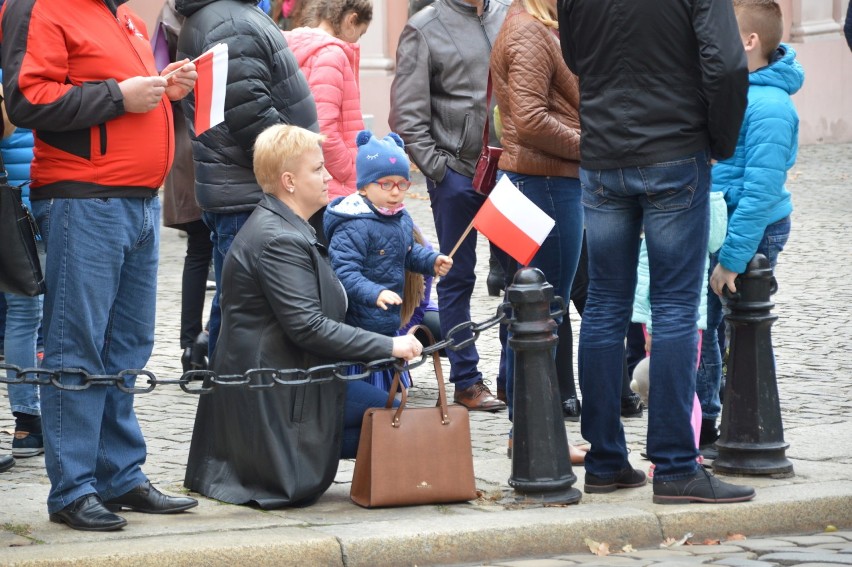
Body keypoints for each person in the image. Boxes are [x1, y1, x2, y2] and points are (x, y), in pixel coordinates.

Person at [1, 0, 199, 531]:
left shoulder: (123, 18)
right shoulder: (42, 7)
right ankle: (74, 490)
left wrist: (162, 90)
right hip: (82, 200)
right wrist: (122, 95)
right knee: (76, 343)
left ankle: (120, 476)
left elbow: (120, 98)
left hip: (135, 202)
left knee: (128, 343)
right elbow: (27, 100)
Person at [558, 0, 757, 503]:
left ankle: (605, 461)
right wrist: (720, 140)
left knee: (604, 305)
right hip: (672, 148)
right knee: (672, 307)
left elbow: (576, 57)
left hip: (604, 152)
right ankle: (673, 466)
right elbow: (729, 64)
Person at [184, 124, 423, 508]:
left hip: (286, 377)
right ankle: (281, 460)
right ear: (289, 181)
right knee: (390, 411)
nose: (329, 176)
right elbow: (308, 327)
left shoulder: (284, 225)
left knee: (387, 407)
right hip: (275, 392)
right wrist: (390, 345)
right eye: (318, 169)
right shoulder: (279, 238)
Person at [176, 0, 320, 358]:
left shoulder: (230, 15)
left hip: (242, 186)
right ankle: (230, 396)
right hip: (248, 189)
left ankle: (213, 367)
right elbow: (249, 113)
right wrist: (299, 163)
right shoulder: (230, 20)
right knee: (246, 311)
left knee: (237, 301)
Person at [390, 0, 510, 412]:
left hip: (510, 171)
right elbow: (406, 114)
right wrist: (441, 171)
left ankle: (514, 379)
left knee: (522, 277)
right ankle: (467, 381)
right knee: (457, 277)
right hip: (457, 175)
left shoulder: (510, 12)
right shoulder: (425, 27)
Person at [700, 0, 803, 459]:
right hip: (723, 225)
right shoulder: (736, 91)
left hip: (749, 236)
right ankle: (705, 417)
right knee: (711, 325)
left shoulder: (770, 106)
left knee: (737, 327)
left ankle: (731, 421)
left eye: (722, 33)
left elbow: (760, 194)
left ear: (749, 41)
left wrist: (731, 261)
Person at [489, 0, 586, 462]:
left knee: (529, 313)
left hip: (535, 183)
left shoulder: (534, 26)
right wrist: (596, 145)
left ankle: (527, 432)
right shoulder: (528, 31)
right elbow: (528, 120)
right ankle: (535, 436)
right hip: (543, 185)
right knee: (543, 315)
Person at [324, 130, 453, 391]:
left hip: (387, 322)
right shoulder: (353, 225)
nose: (395, 192)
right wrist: (375, 292)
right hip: (358, 327)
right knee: (371, 397)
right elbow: (344, 272)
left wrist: (431, 261)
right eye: (386, 184)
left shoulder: (400, 218)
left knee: (390, 395)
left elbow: (408, 253)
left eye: (402, 184)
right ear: (364, 186)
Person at [153, 0, 214, 373]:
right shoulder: (213, 16)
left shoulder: (168, 15)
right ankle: (206, 341)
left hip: (182, 138)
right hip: (206, 138)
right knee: (223, 251)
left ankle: (192, 345)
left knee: (199, 250)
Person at [285, 0, 372, 200]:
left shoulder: (300, 45)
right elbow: (324, 127)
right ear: (352, 20)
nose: (358, 39)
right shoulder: (330, 55)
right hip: (330, 179)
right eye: (362, 31)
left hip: (306, 170)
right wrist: (347, 169)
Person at [1, 74, 44, 459]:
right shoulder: (22, 72)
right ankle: (27, 422)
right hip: (21, 210)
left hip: (15, 207)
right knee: (26, 314)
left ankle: (28, 423)